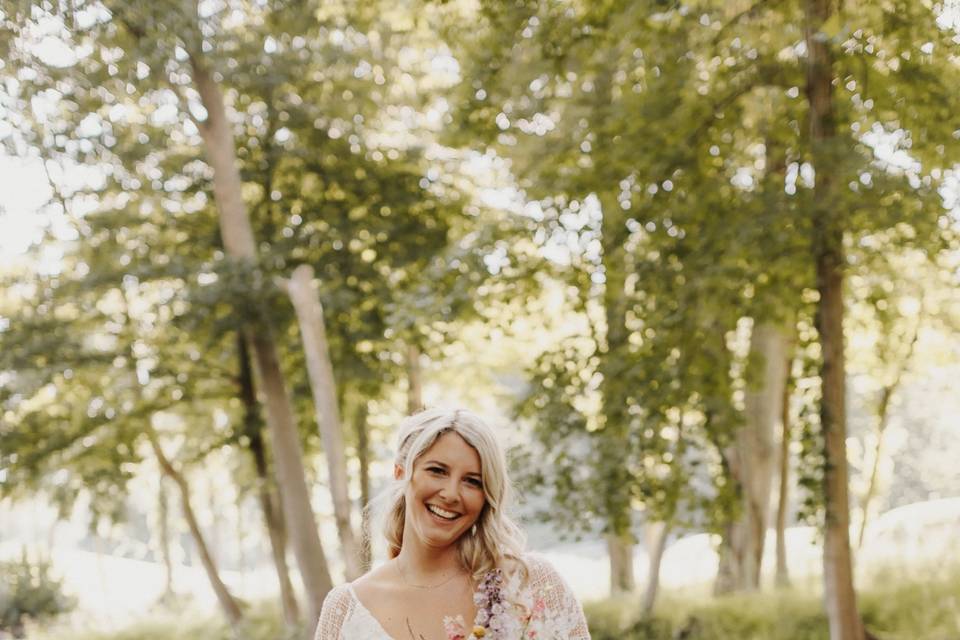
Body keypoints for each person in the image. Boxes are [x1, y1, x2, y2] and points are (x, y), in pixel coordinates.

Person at [314, 407, 591, 640]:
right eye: (437, 471)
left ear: (487, 497)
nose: (451, 494)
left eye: (472, 481)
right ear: (400, 473)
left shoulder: (530, 583)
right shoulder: (345, 610)